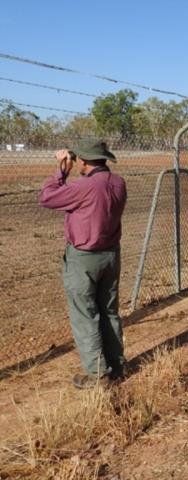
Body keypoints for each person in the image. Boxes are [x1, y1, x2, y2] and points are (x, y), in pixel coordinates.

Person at [39, 140, 127, 389]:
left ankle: (98, 375)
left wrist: (61, 171)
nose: (76, 162)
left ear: (85, 162)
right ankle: (116, 366)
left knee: (85, 314)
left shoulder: (84, 186)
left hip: (84, 257)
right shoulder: (118, 182)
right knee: (109, 311)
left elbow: (46, 198)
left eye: (78, 160)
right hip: (111, 254)